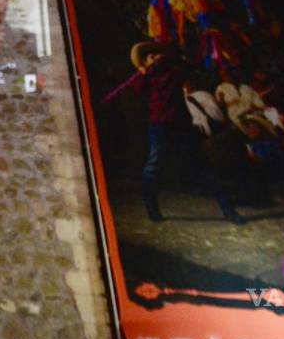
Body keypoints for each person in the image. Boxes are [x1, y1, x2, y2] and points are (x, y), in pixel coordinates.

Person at [102, 42, 244, 225]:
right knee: (153, 167)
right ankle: (152, 208)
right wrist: (143, 71)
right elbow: (136, 90)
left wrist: (164, 59)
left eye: (156, 54)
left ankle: (229, 211)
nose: (155, 57)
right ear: (145, 61)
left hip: (182, 126)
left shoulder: (174, 72)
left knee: (206, 167)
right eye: (150, 56)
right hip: (159, 128)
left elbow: (184, 67)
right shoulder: (145, 78)